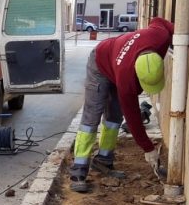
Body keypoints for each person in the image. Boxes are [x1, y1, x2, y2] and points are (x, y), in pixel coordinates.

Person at [69, 17, 175, 193]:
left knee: (113, 118)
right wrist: (148, 148)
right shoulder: (126, 81)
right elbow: (133, 118)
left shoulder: (160, 37)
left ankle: (104, 161)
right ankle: (79, 170)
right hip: (100, 62)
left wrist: (179, 32)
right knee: (92, 117)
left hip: (116, 59)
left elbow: (158, 21)